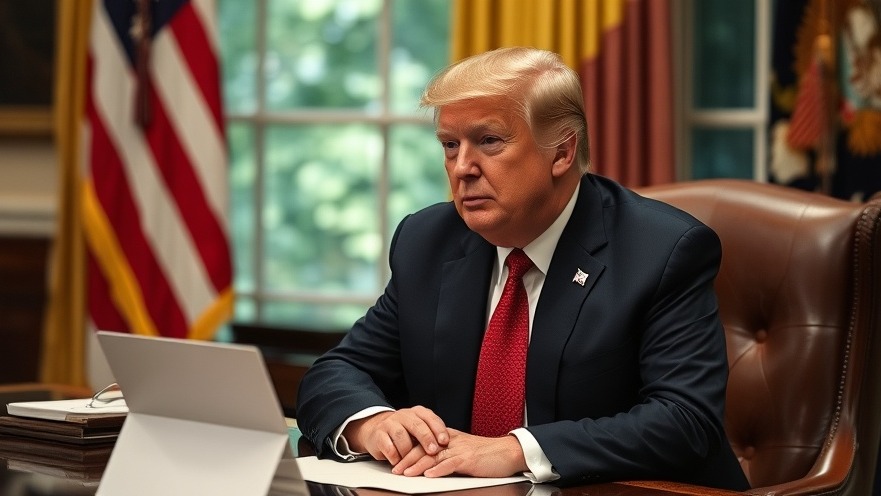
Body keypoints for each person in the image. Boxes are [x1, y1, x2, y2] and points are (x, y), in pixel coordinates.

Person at [296, 46, 750, 490]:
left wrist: (516, 450)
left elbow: (686, 420)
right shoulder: (428, 241)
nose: (462, 168)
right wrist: (374, 424)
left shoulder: (663, 250)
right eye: (450, 145)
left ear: (561, 152)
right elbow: (337, 371)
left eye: (488, 141)